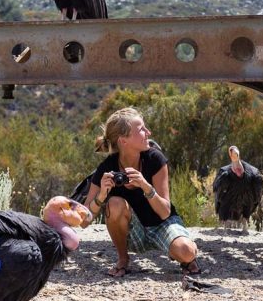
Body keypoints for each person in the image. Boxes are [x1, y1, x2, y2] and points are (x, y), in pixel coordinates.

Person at [85, 107, 200, 278]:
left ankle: (184, 252)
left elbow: (165, 212)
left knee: (187, 252)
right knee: (114, 203)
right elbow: (84, 220)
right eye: (141, 129)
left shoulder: (155, 159)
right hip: (134, 234)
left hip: (162, 225)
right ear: (123, 140)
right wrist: (101, 195)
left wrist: (146, 186)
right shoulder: (106, 168)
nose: (148, 132)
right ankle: (123, 259)